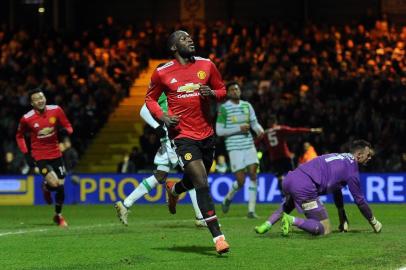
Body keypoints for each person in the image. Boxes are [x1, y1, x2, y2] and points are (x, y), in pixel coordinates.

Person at [145, 30, 229, 254]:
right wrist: (162, 116)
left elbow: (222, 90)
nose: (190, 40)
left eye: (190, 37)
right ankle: (218, 237)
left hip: (207, 134)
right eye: (183, 38)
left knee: (195, 179)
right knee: (201, 182)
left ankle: (174, 190)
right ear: (173, 47)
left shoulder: (207, 65)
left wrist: (212, 92)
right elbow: (150, 99)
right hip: (182, 135)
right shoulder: (162, 72)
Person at [254, 140, 382, 236]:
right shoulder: (352, 170)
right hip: (305, 186)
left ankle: (266, 224)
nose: (370, 158)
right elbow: (359, 200)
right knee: (325, 228)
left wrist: (341, 214)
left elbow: (336, 188)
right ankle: (291, 220)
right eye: (368, 155)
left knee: (289, 204)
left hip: (291, 178)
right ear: (359, 155)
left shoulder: (339, 156)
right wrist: (374, 222)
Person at [114, 99, 207, 227]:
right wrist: (157, 127)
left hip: (172, 137)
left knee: (160, 176)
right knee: (193, 174)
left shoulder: (180, 87)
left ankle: (125, 204)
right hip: (175, 138)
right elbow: (144, 109)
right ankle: (200, 217)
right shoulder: (166, 87)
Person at [16, 88, 73, 227]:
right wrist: (26, 154)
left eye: (41, 97)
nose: (40, 100)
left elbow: (68, 126)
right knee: (55, 184)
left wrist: (65, 131)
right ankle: (48, 187)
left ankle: (58, 215)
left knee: (60, 187)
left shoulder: (56, 110)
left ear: (45, 98)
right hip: (39, 156)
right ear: (31, 103)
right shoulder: (27, 118)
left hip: (56, 154)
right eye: (36, 99)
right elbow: (19, 136)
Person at [216, 81, 264, 218]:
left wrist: (259, 130)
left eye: (237, 89)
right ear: (228, 93)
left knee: (254, 174)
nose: (235, 91)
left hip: (248, 144)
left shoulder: (247, 105)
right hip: (234, 147)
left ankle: (251, 211)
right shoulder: (224, 108)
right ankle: (228, 198)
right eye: (232, 90)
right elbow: (219, 131)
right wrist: (238, 128)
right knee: (241, 181)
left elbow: (254, 122)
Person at [258, 115, 322, 192]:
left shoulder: (265, 133)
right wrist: (312, 130)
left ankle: (284, 196)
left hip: (274, 159)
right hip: (285, 156)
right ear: (276, 122)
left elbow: (256, 142)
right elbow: (296, 130)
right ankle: (300, 193)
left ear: (268, 124)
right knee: (294, 176)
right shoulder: (280, 128)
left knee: (280, 177)